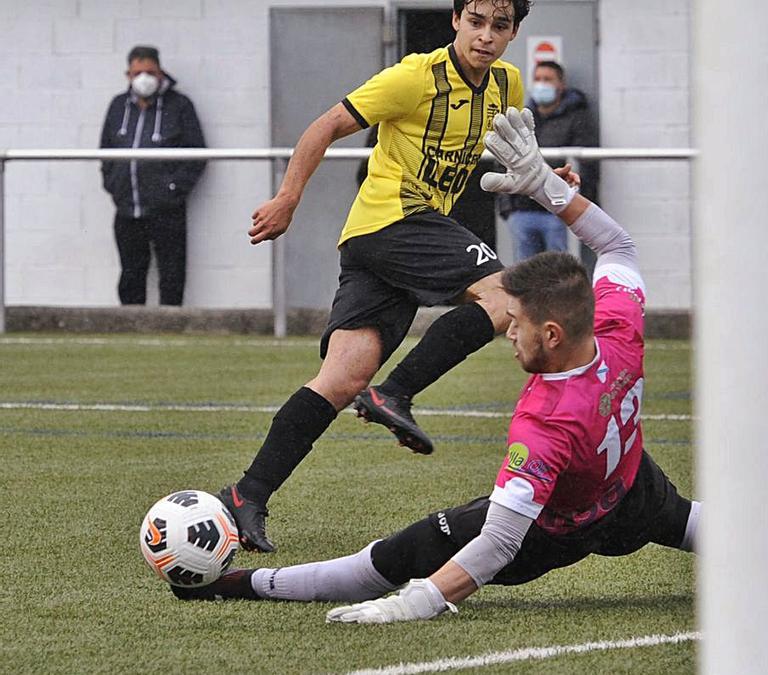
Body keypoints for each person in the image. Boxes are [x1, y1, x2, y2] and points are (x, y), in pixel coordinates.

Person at [173, 108, 700, 623]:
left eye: (516, 323)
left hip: (557, 530)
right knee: (695, 525)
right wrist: (544, 185)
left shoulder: (545, 419)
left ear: (553, 334)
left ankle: (237, 583)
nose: (507, 332)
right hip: (631, 490)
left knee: (391, 559)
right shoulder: (617, 326)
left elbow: (497, 544)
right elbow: (618, 246)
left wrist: (417, 600)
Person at [218, 0, 554, 554]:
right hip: (395, 221)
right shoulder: (413, 77)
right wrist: (287, 198)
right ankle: (395, 393)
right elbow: (325, 126)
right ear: (455, 20)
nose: (485, 36)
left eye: (499, 26)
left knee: (341, 377)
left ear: (514, 31)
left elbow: (513, 160)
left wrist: (542, 176)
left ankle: (245, 496)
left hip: (375, 241)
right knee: (510, 297)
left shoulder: (508, 86)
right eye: (476, 21)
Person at [99, 45, 206, 306]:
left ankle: (172, 332)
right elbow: (105, 152)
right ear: (128, 75)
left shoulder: (179, 105)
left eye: (149, 71)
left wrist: (172, 189)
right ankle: (129, 331)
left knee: (172, 273)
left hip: (167, 210)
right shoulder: (117, 106)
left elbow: (197, 154)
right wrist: (114, 185)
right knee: (131, 274)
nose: (143, 78)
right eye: (137, 72)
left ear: (160, 74)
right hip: (127, 209)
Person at [498, 61, 599, 261]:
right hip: (522, 210)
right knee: (524, 275)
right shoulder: (523, 117)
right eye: (537, 79)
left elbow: (587, 167)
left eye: (547, 79)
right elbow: (503, 159)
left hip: (558, 211)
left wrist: (575, 208)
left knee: (560, 273)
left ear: (561, 85)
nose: (541, 84)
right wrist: (508, 208)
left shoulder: (577, 118)